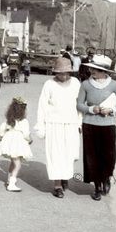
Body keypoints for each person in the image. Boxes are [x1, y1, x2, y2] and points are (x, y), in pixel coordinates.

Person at [76, 54, 116, 201]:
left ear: (104, 71)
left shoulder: (114, 85)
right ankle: (97, 186)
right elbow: (79, 104)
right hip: (89, 125)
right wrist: (92, 110)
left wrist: (111, 110)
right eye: (92, 69)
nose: (92, 71)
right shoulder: (85, 84)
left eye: (96, 70)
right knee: (92, 157)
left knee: (109, 156)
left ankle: (106, 178)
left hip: (108, 125)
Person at [35, 57, 82, 198]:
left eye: (67, 72)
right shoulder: (49, 84)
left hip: (71, 123)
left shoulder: (75, 83)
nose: (64, 75)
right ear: (55, 72)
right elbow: (42, 106)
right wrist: (41, 125)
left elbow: (79, 104)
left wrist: (80, 122)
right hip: (53, 123)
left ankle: (64, 177)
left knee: (70, 154)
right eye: (61, 73)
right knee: (55, 153)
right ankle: (57, 185)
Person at [0, 97, 33, 192]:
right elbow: (26, 134)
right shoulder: (24, 122)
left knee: (13, 162)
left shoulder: (8, 121)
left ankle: (9, 179)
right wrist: (29, 140)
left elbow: (1, 130)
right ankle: (12, 183)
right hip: (17, 144)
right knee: (17, 164)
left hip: (9, 143)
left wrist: (1, 137)